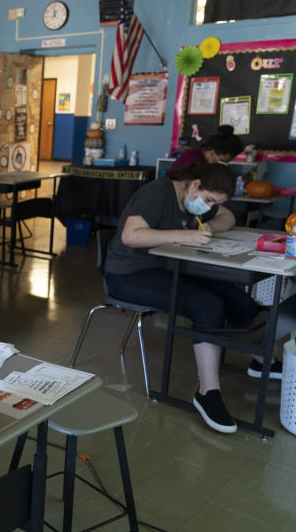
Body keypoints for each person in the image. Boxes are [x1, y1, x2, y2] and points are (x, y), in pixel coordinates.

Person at [104, 163, 273, 434]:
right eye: (207, 200)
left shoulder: (199, 200)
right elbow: (130, 235)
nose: (209, 206)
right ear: (193, 184)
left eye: (214, 203)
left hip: (169, 267)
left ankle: (261, 361)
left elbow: (227, 217)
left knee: (236, 297)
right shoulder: (157, 193)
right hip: (128, 274)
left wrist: (208, 226)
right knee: (206, 304)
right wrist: (188, 235)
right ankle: (208, 394)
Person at [171, 124, 244, 168]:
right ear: (212, 153)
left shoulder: (205, 159)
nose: (223, 165)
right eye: (222, 161)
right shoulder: (192, 162)